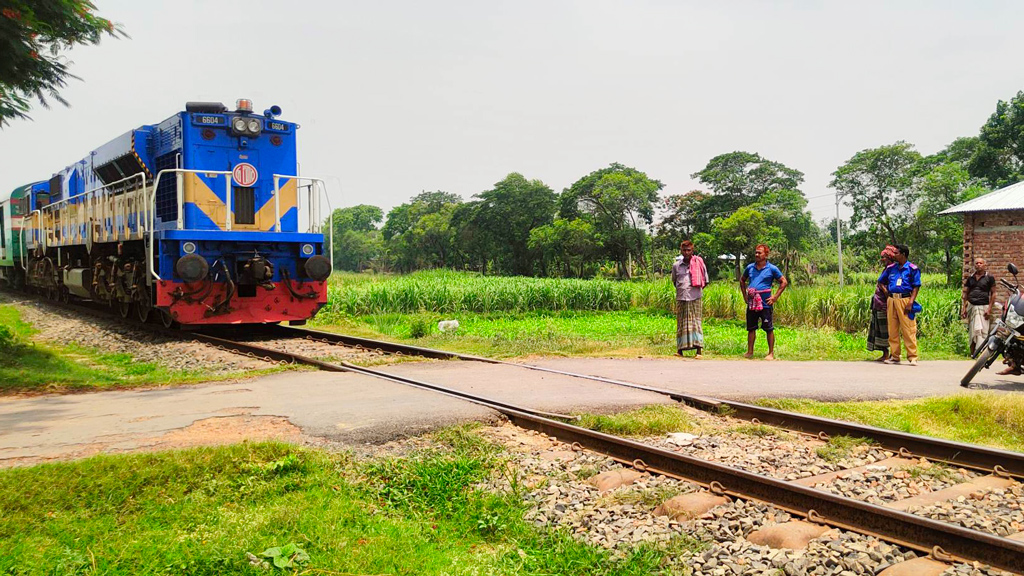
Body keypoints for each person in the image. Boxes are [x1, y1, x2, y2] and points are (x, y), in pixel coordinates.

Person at [740, 244, 788, 360]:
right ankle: (750, 351)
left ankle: (771, 353)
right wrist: (745, 296)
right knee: (751, 328)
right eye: (756, 252)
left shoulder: (772, 268)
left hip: (766, 303)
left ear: (766, 255)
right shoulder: (750, 268)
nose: (757, 255)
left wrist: (775, 297)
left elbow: (784, 282)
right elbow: (742, 280)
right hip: (752, 303)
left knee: (768, 328)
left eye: (759, 253)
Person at [877, 244, 921, 366]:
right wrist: (886, 293)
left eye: (896, 253)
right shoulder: (891, 268)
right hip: (891, 300)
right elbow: (881, 281)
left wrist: (911, 302)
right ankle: (895, 356)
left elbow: (916, 286)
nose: (893, 255)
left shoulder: (912, 268)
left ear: (903, 254)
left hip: (905, 300)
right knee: (892, 328)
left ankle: (912, 356)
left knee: (908, 328)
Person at [671, 240, 708, 358]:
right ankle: (680, 350)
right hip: (681, 297)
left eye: (689, 250)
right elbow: (674, 281)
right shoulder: (676, 266)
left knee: (695, 323)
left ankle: (699, 350)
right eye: (684, 250)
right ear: (681, 251)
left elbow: (705, 280)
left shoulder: (699, 263)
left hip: (695, 297)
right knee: (681, 323)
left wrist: (694, 289)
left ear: (692, 251)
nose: (686, 253)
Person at [961, 257, 995, 357]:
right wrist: (964, 308)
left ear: (984, 265)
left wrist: (989, 309)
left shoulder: (989, 278)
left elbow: (993, 294)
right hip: (972, 307)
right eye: (976, 263)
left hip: (983, 307)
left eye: (980, 263)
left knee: (983, 330)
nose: (978, 265)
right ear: (974, 265)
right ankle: (973, 353)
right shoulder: (970, 278)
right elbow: (965, 294)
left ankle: (982, 353)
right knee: (973, 331)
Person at [868, 246, 898, 361]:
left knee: (885, 329)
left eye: (883, 257)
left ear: (889, 258)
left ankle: (889, 353)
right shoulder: (886, 269)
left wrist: (885, 292)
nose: (882, 260)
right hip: (878, 303)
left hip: (884, 304)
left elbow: (889, 286)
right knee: (880, 328)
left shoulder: (891, 270)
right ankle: (886, 353)